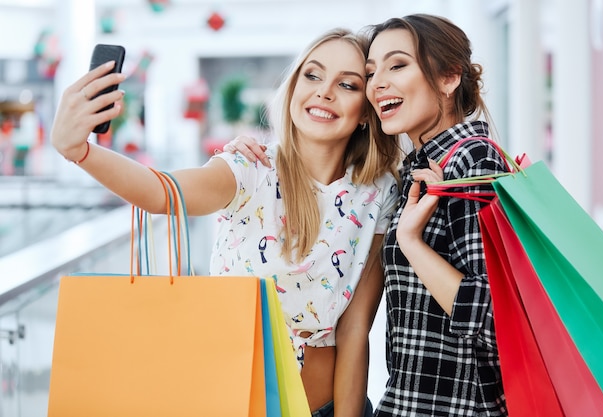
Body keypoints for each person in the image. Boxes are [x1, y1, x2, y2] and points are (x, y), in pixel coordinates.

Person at [50, 28, 400, 417]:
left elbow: (354, 332)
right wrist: (79, 151)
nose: (324, 92)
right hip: (236, 403)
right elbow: (161, 193)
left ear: (367, 111)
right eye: (312, 75)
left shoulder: (378, 192)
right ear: (294, 87)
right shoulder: (249, 168)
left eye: (347, 85)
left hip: (332, 408)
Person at [224, 13, 509, 417]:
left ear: (449, 78)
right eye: (372, 72)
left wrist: (411, 243)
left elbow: (497, 317)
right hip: (410, 404)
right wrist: (244, 155)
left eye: (397, 65)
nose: (379, 84)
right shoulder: (416, 171)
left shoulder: (472, 160)